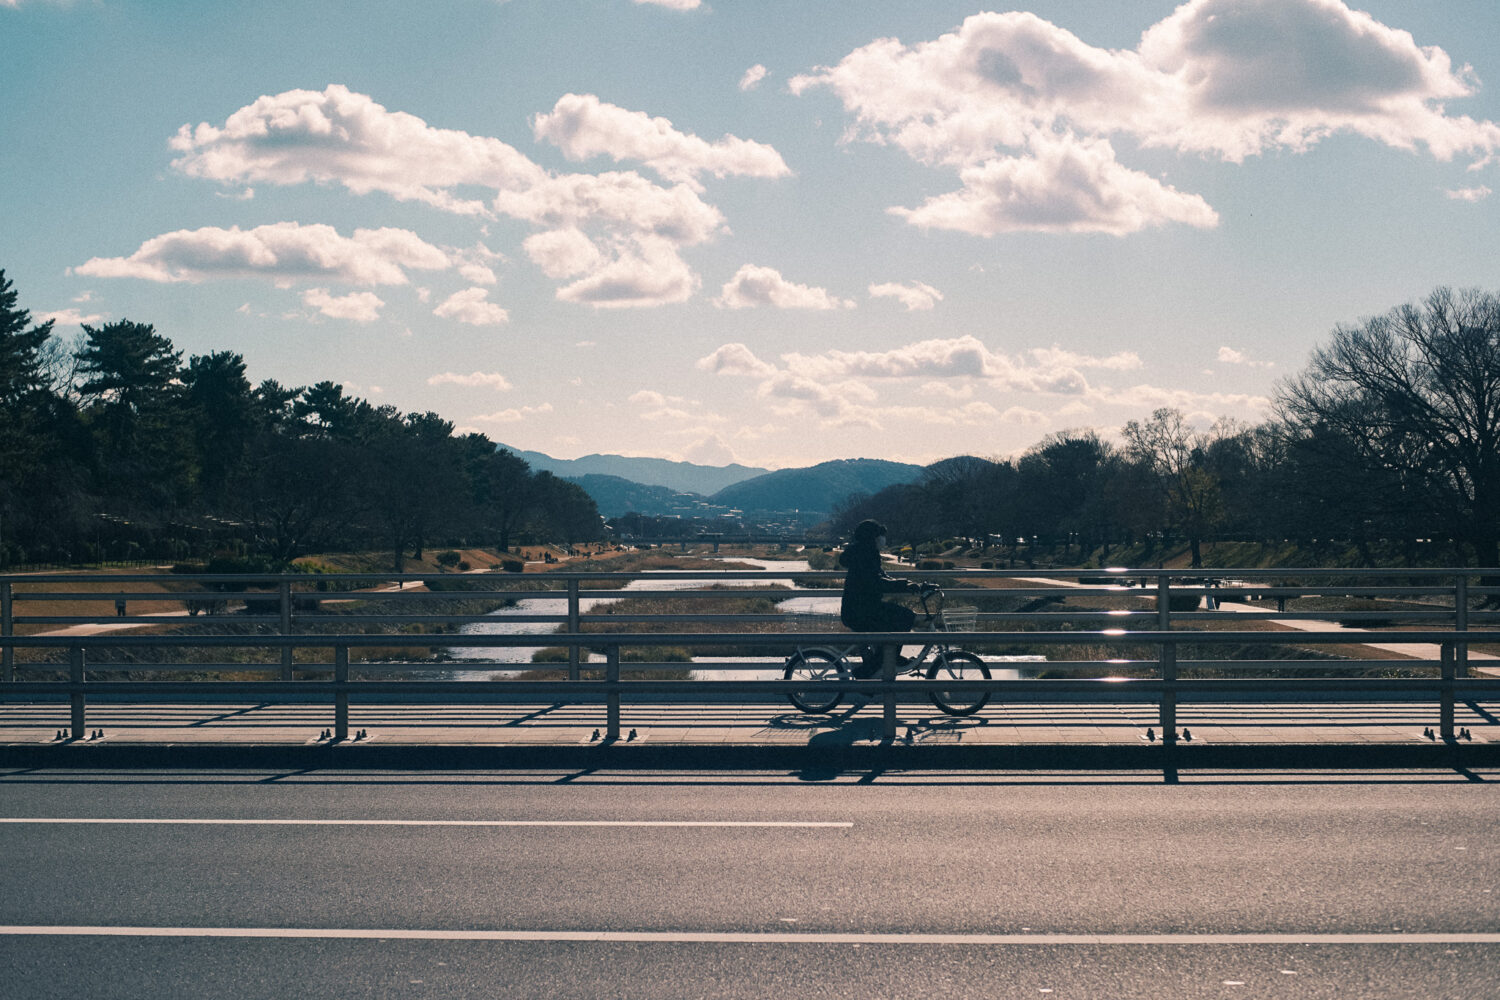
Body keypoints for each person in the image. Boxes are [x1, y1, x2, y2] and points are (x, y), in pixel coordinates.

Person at [839, 519, 921, 678]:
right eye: (880, 536)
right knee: (905, 617)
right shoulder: (866, 555)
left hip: (860, 608)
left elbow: (882, 577)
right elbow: (876, 582)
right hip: (861, 611)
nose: (883, 540)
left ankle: (888, 658)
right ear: (872, 537)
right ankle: (870, 669)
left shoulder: (863, 552)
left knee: (898, 620)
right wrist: (906, 585)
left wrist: (906, 584)